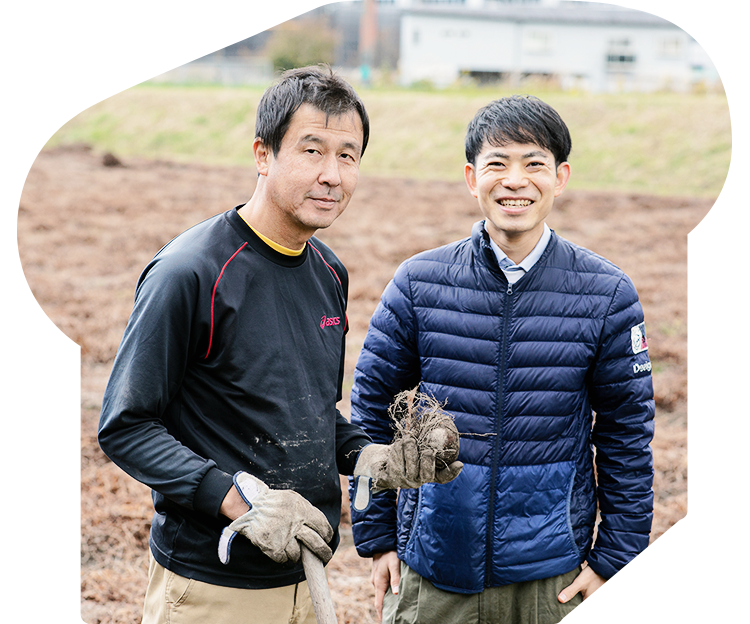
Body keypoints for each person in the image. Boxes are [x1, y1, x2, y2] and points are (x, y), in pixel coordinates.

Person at [97, 65, 461, 624]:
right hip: (210, 587)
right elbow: (127, 426)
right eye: (311, 151)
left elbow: (309, 409)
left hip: (306, 574)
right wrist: (238, 501)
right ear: (263, 154)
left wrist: (368, 457)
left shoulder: (328, 273)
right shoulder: (191, 272)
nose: (332, 175)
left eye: (348, 155)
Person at [349, 94, 655, 624]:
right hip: (434, 565)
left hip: (550, 575)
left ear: (560, 177)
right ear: (472, 178)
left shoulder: (607, 293)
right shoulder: (419, 283)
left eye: (533, 164)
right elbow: (372, 410)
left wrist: (614, 561)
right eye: (497, 164)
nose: (515, 181)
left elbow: (627, 433)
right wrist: (378, 538)